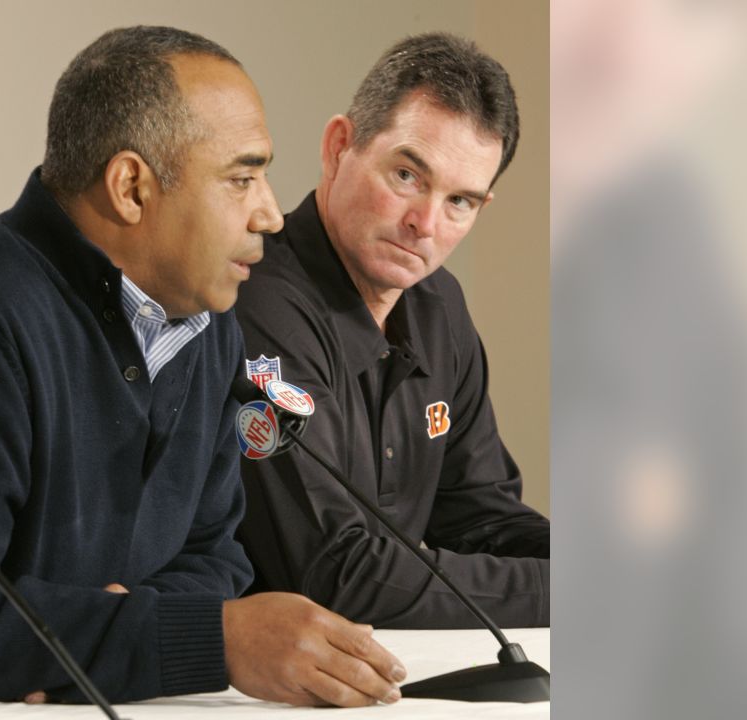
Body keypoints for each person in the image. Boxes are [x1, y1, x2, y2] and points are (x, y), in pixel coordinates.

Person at [0, 26, 405, 707]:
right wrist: (208, 638)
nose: (271, 213)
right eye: (242, 178)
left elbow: (217, 554)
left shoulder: (208, 325)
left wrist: (126, 627)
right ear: (131, 187)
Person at [234, 33, 550, 629]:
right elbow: (337, 573)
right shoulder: (257, 300)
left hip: (399, 676)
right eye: (407, 175)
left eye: (460, 201)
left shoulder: (439, 306)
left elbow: (480, 517)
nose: (424, 224)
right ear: (338, 148)